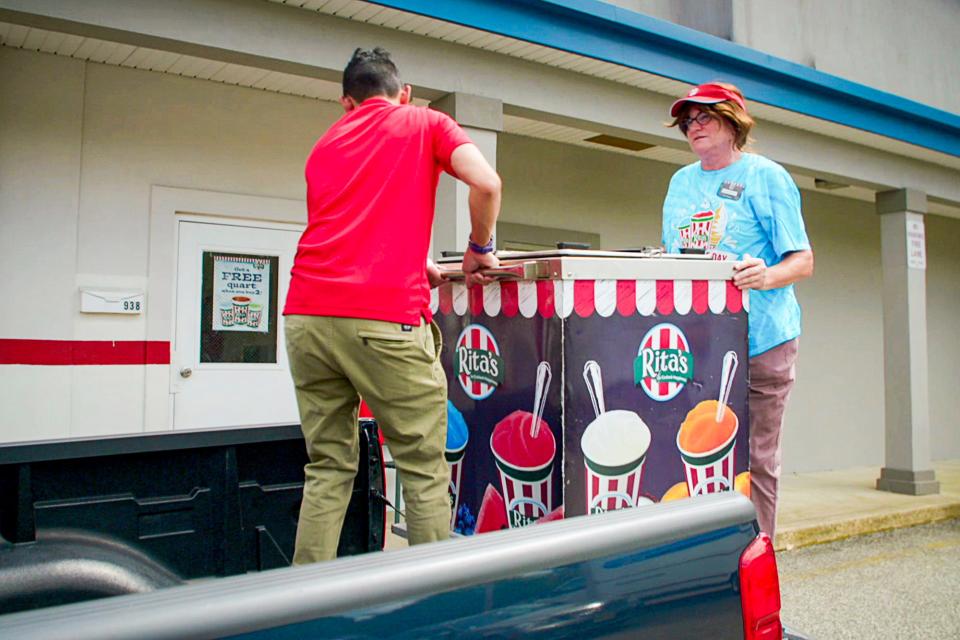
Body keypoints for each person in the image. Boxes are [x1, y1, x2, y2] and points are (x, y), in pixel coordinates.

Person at [283, 47, 501, 564]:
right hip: (382, 321)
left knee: (329, 466)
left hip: (306, 317)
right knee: (424, 467)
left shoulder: (323, 146)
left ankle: (303, 596)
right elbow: (487, 183)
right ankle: (434, 608)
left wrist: (413, 261)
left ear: (347, 104)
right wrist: (479, 248)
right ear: (403, 94)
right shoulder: (424, 121)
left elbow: (351, 229)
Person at [660, 82, 814, 538]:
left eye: (704, 117)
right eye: (687, 121)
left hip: (764, 340)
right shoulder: (680, 182)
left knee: (758, 459)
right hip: (700, 344)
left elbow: (802, 261)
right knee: (699, 451)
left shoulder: (767, 177)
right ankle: (706, 557)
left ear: (734, 121)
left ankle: (757, 558)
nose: (694, 126)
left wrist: (765, 274)